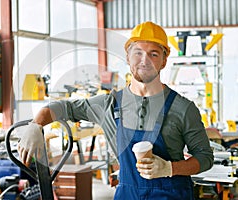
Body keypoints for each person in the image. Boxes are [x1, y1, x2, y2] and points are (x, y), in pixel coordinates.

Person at [17, 21, 214, 199]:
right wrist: (36, 124)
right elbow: (63, 107)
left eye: (153, 54)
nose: (144, 60)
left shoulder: (183, 108)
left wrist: (170, 168)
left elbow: (205, 158)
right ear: (128, 58)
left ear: (163, 60)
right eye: (138, 53)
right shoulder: (108, 105)